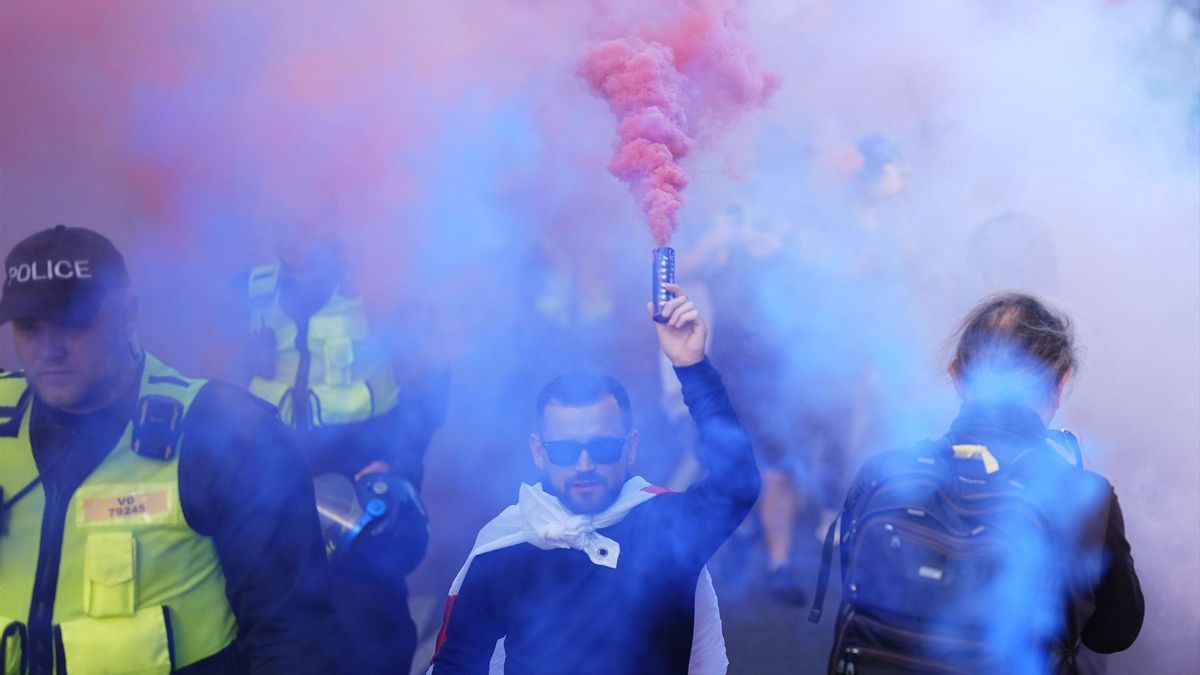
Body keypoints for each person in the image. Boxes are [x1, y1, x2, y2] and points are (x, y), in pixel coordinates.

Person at [0, 225, 340, 674]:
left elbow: (294, 638)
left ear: (128, 315)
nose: (49, 349)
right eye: (29, 327)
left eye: (72, 322)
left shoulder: (226, 433)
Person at [430, 283, 760, 675]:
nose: (584, 464)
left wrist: (692, 367)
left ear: (630, 447)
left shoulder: (664, 527)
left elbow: (737, 482)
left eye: (602, 448)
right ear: (539, 452)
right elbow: (457, 663)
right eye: (566, 451)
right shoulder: (503, 546)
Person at [817, 293, 1143, 674]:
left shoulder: (883, 473)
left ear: (957, 376)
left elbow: (860, 591)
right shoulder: (1082, 495)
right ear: (1060, 382)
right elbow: (1114, 633)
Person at [227, 222, 449, 675]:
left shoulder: (381, 290)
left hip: (359, 472)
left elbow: (430, 380)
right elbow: (213, 380)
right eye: (287, 222)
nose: (296, 239)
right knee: (268, 606)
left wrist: (400, 463)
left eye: (310, 224)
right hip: (269, 472)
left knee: (367, 616)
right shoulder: (246, 291)